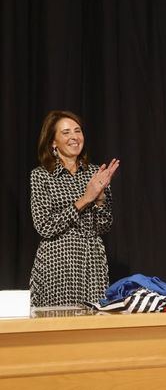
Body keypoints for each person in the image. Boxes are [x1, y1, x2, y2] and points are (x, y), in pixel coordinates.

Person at [30, 110, 120, 307]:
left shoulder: (96, 173)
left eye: (77, 131)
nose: (74, 137)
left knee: (93, 328)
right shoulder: (41, 176)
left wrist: (100, 197)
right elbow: (45, 226)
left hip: (91, 262)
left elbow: (103, 226)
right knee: (57, 329)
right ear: (53, 142)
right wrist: (85, 199)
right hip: (56, 263)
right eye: (66, 132)